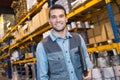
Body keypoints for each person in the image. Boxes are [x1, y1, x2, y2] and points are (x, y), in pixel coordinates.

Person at [36, 4, 93, 80]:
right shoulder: (42, 46)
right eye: (54, 17)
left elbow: (86, 57)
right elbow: (42, 77)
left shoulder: (78, 38)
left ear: (66, 19)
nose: (58, 20)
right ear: (49, 21)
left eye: (61, 16)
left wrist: (89, 69)